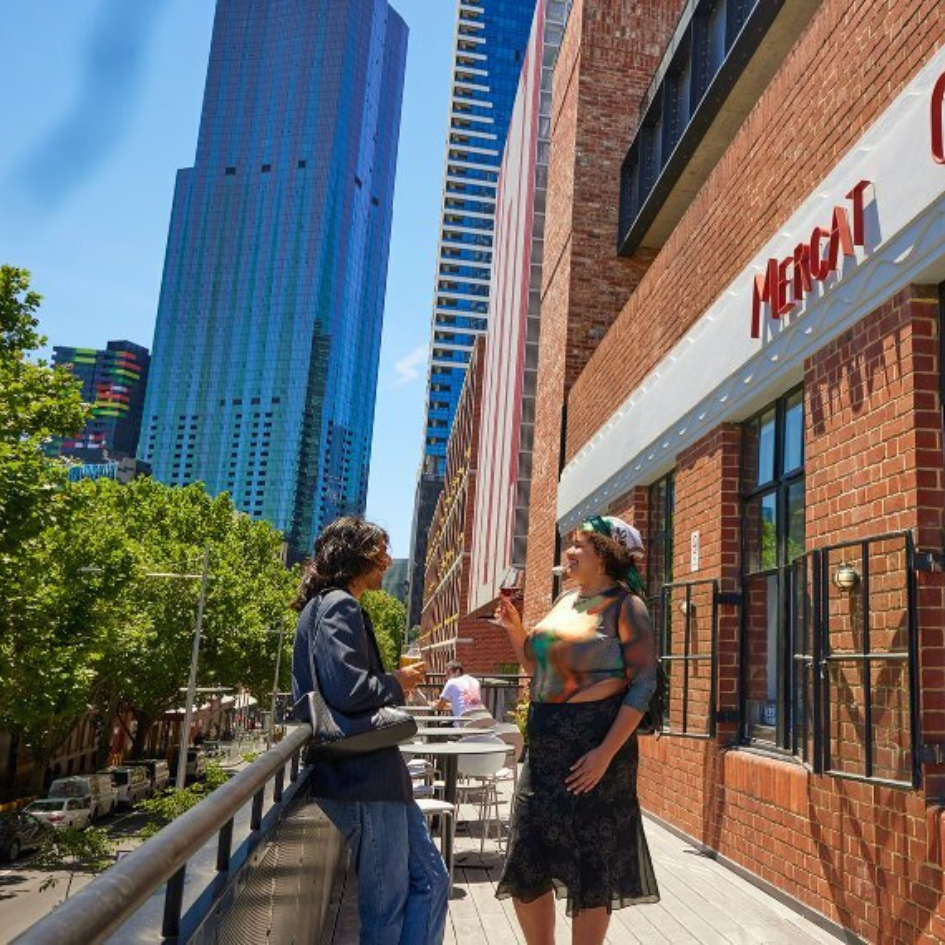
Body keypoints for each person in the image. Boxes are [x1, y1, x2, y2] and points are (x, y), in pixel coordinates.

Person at [493, 515, 660, 945]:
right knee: (528, 858)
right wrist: (515, 631)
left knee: (590, 863)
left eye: (579, 545)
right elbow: (535, 667)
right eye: (569, 545)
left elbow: (644, 682)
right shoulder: (565, 600)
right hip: (545, 747)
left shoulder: (626, 606)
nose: (568, 552)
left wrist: (605, 753)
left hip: (596, 748)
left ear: (605, 554)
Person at [291, 516, 449, 945]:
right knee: (386, 909)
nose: (386, 559)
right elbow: (350, 689)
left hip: (377, 779)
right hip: (363, 780)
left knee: (432, 881)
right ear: (353, 555)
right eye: (379, 550)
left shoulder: (326, 605)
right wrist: (400, 681)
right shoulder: (339, 604)